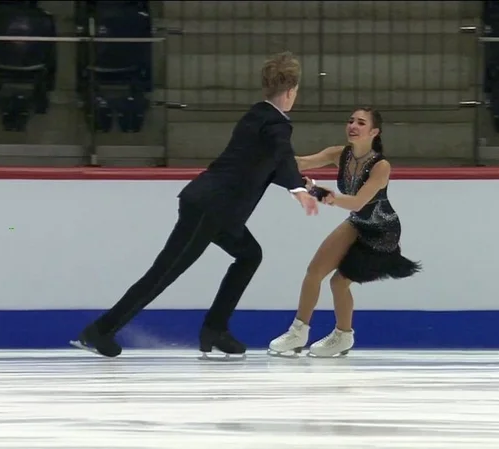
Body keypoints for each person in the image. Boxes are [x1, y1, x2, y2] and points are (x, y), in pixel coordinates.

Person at [70, 51, 319, 359]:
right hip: (209, 208)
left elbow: (264, 165)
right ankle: (101, 330)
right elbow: (281, 153)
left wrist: (302, 185)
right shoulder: (277, 125)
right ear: (292, 91)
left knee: (249, 255)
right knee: (163, 272)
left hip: (219, 212)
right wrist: (297, 188)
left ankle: (215, 329)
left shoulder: (257, 115)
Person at [268, 107, 421, 358]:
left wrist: (318, 192)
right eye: (351, 121)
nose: (353, 126)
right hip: (358, 223)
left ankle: (342, 335)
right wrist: (272, 154)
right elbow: (301, 163)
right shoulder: (339, 154)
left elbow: (358, 202)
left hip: (382, 232)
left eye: (361, 123)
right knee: (314, 271)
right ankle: (298, 332)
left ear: (374, 132)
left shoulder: (381, 166)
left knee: (338, 282)